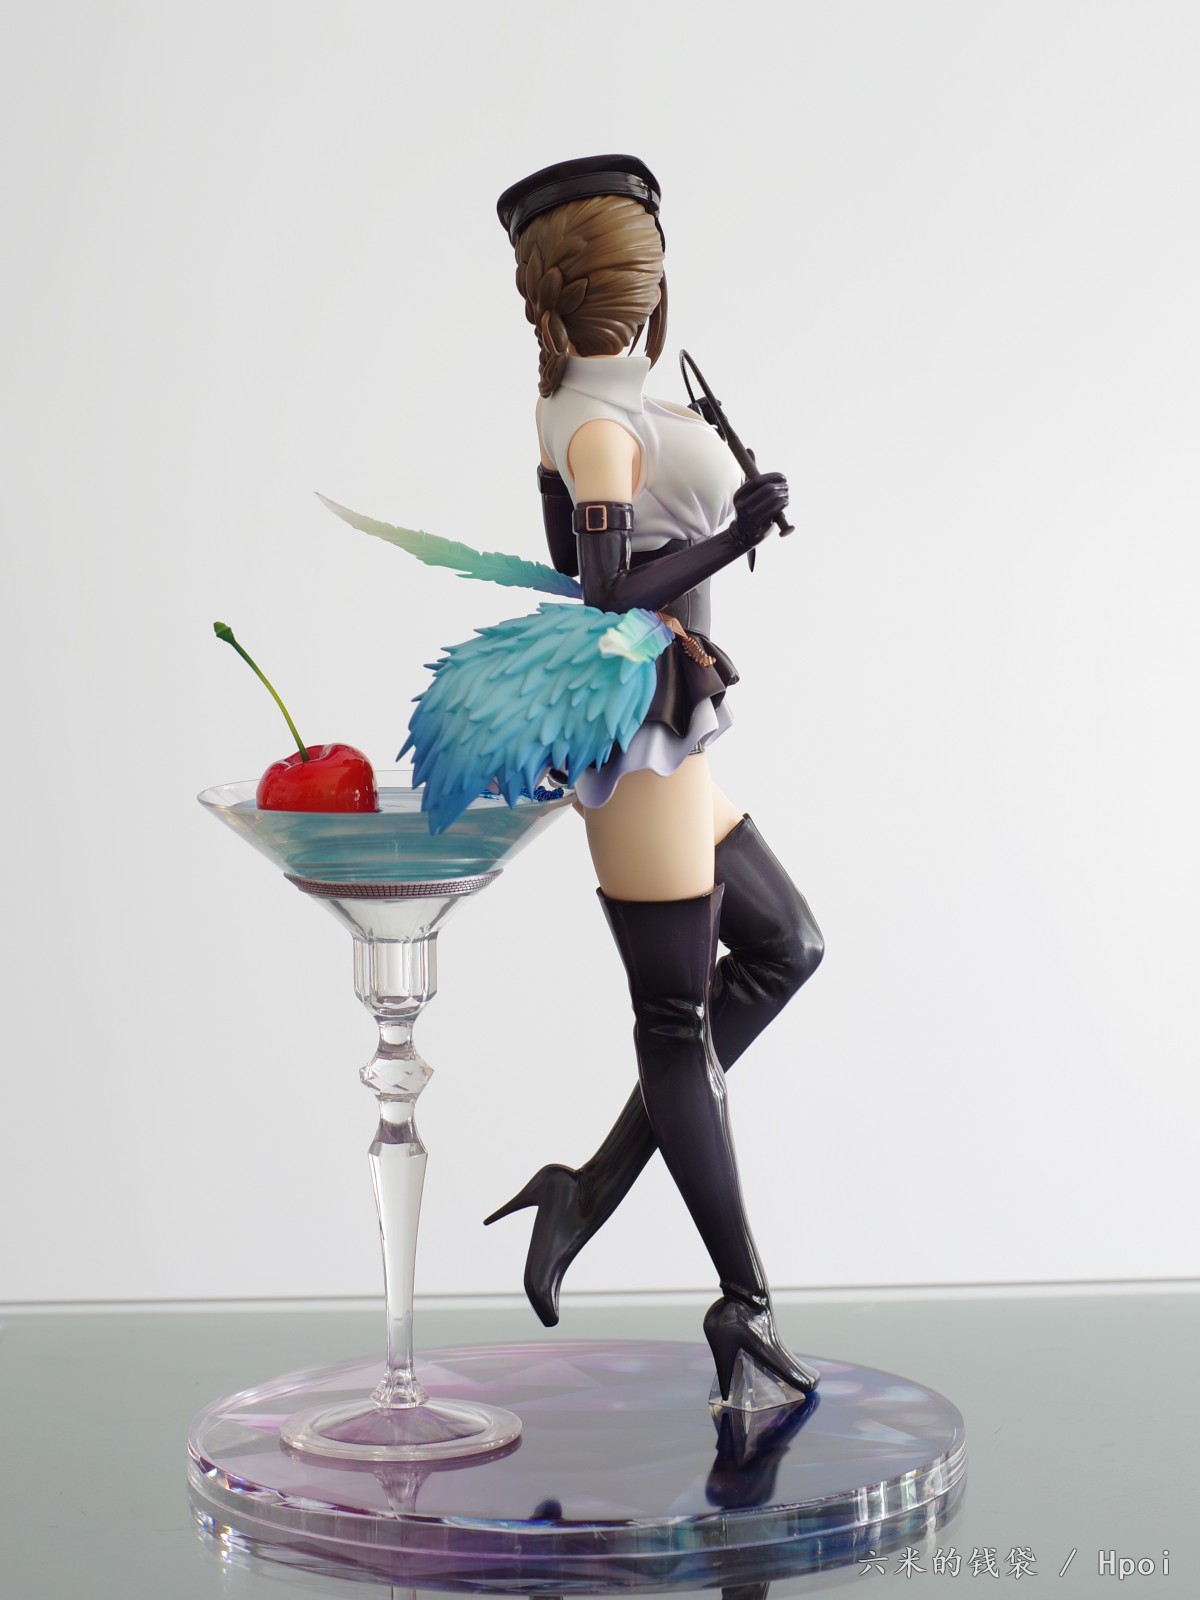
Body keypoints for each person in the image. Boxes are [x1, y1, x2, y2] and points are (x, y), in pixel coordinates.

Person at [477, 156, 825, 1407]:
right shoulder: (593, 423)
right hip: (641, 729)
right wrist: (735, 532)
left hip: (674, 728)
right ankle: (744, 1301)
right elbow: (605, 591)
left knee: (786, 945)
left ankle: (587, 1189)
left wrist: (732, 503)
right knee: (677, 1025)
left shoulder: (601, 400)